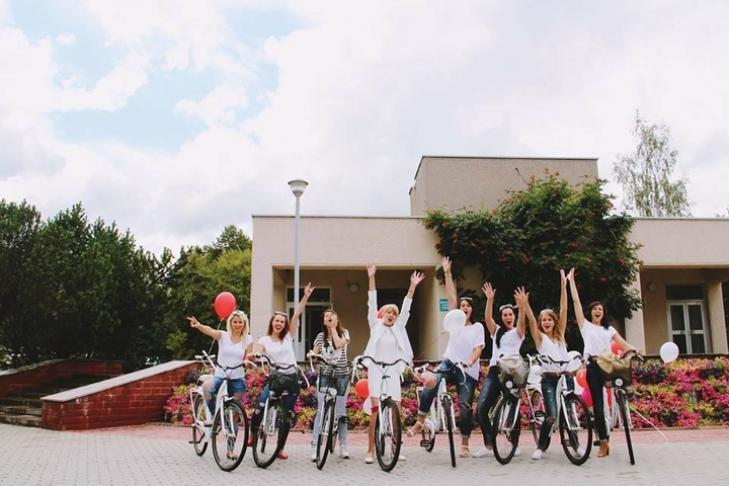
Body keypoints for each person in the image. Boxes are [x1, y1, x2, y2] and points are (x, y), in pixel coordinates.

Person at [407, 257, 484, 458]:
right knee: (432, 381)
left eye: (468, 305)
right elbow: (451, 296)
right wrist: (448, 273)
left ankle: (465, 443)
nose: (464, 307)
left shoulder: (477, 328)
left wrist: (470, 360)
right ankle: (420, 421)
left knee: (466, 407)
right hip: (449, 362)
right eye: (462, 305)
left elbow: (478, 350)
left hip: (467, 370)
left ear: (472, 309)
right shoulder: (455, 321)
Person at [567, 269, 637, 458]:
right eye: (595, 309)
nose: (598, 311)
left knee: (619, 385)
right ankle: (604, 441)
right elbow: (575, 303)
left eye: (601, 309)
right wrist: (571, 282)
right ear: (591, 313)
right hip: (593, 367)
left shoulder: (609, 330)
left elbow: (623, 344)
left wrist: (635, 350)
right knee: (598, 405)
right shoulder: (586, 327)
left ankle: (626, 394)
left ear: (603, 313)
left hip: (609, 366)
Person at [363, 265, 425, 464]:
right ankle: (371, 451)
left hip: (392, 371)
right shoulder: (375, 325)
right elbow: (372, 302)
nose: (391, 314)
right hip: (375, 370)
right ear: (382, 315)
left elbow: (407, 306)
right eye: (388, 311)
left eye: (394, 312)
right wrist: (371, 277)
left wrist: (412, 286)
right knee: (375, 412)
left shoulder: (399, 327)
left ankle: (397, 447)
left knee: (396, 412)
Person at [249, 283, 313, 460]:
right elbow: (259, 350)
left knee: (287, 415)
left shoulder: (287, 337)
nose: (279, 323)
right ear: (272, 322)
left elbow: (297, 314)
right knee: (260, 404)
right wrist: (257, 353)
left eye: (282, 322)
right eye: (276, 320)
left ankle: (280, 448)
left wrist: (305, 296)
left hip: (291, 378)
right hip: (275, 378)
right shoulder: (264, 339)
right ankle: (253, 434)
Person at [520, 270, 572, 460]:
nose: (546, 322)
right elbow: (532, 321)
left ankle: (574, 445)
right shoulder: (540, 338)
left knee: (568, 414)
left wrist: (563, 286)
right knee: (551, 415)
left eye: (549, 319)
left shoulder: (560, 336)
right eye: (544, 320)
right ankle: (541, 447)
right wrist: (525, 305)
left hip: (564, 378)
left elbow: (564, 309)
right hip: (548, 380)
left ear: (554, 321)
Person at [473, 282, 526, 458]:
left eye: (510, 314)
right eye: (505, 315)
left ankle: (514, 443)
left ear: (514, 316)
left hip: (512, 372)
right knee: (481, 409)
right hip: (495, 372)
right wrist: (490, 300)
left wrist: (523, 306)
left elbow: (523, 321)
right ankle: (489, 443)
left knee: (512, 406)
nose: (508, 317)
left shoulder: (518, 332)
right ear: (502, 317)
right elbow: (488, 319)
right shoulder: (497, 332)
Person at [188, 309, 253, 430]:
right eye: (235, 322)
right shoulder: (223, 335)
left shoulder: (248, 339)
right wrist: (199, 325)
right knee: (207, 388)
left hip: (237, 378)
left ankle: (230, 448)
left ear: (244, 324)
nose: (238, 324)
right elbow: (210, 330)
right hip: (221, 375)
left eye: (240, 322)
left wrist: (248, 361)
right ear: (230, 323)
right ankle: (214, 417)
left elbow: (248, 358)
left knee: (235, 411)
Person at [309, 309, 351, 460]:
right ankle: (315, 446)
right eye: (326, 315)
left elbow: (339, 344)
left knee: (340, 412)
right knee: (321, 410)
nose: (329, 316)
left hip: (342, 374)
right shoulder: (320, 337)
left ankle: (343, 445)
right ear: (323, 320)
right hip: (325, 373)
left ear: (337, 319)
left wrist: (333, 328)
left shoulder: (344, 333)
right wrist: (312, 354)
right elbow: (315, 352)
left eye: (332, 315)